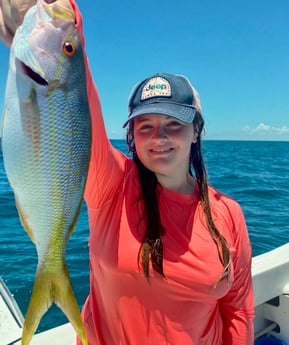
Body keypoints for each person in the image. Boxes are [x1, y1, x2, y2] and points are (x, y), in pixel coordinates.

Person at [0, 1, 254, 344]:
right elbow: (74, 94)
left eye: (173, 124)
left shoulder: (229, 215)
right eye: (144, 125)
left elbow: (237, 310)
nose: (159, 137)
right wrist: (62, 15)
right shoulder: (112, 186)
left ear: (196, 131)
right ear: (131, 135)